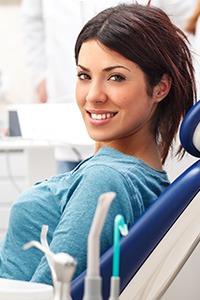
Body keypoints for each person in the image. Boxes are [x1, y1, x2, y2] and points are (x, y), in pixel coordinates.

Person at [0, 2, 196, 286]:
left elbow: (52, 290)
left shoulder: (106, 180)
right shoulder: (139, 176)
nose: (93, 95)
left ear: (160, 88)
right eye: (84, 76)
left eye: (116, 77)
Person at [20, 0, 133, 173]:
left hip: (126, 119)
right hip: (62, 95)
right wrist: (40, 78)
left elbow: (178, 17)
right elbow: (32, 21)